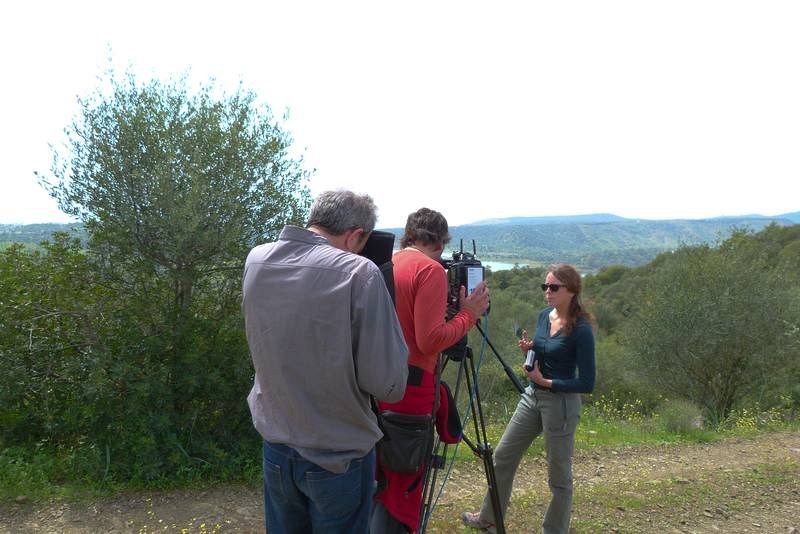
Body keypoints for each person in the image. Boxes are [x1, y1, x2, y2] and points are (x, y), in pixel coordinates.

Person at [242, 190, 409, 534]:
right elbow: (388, 385)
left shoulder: (256, 259)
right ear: (356, 235)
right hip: (339, 456)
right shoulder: (359, 273)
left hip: (277, 445)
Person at [371, 207, 491, 533]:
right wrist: (468, 315)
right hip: (412, 390)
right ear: (439, 241)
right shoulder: (431, 271)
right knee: (406, 479)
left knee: (383, 477)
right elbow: (430, 341)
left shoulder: (385, 263)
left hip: (378, 385)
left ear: (409, 234)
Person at [462, 263, 596, 534]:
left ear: (572, 290)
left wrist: (545, 381)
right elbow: (546, 353)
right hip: (533, 397)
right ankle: (489, 519)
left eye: (554, 287)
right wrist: (531, 351)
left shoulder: (581, 329)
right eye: (545, 286)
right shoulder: (544, 315)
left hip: (561, 404)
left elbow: (587, 382)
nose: (547, 292)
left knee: (558, 476)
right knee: (502, 456)